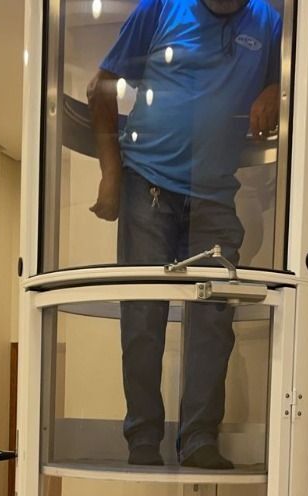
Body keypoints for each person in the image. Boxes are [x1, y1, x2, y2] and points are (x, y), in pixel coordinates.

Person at [87, 0, 281, 468]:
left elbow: (293, 82)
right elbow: (100, 88)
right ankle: (143, 439)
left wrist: (277, 88)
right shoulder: (160, 7)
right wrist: (111, 174)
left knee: (213, 321)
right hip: (147, 184)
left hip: (214, 193)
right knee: (143, 316)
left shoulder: (269, 23)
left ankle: (198, 440)